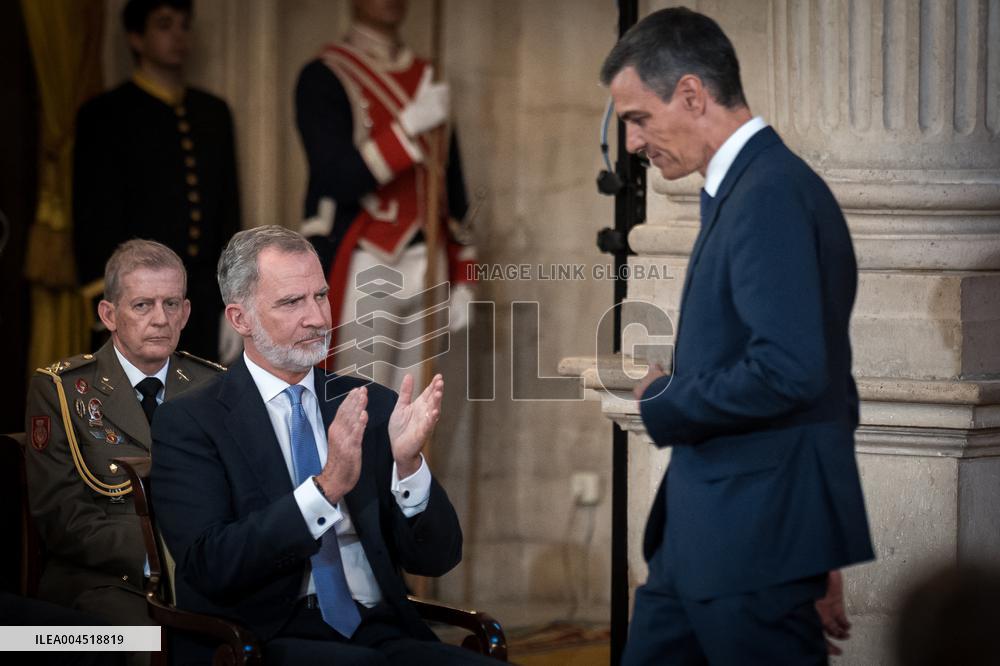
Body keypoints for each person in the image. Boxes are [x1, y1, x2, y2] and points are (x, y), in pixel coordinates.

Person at [600, 8, 874, 664]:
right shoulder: (748, 189)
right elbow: (830, 375)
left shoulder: (769, 193)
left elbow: (794, 368)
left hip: (751, 545)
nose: (633, 144)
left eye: (638, 118)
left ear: (691, 94)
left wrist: (666, 398)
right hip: (708, 543)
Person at [150, 226, 493, 664]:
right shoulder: (192, 421)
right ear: (240, 319)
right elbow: (210, 565)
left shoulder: (369, 404)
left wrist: (409, 467)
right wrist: (325, 489)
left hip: (383, 630)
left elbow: (438, 556)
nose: (316, 317)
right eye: (292, 302)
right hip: (263, 638)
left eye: (320, 296)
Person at [24, 240, 223, 628]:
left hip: (205, 575)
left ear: (185, 313)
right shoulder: (60, 389)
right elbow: (63, 519)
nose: (161, 319)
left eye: (171, 304)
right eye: (142, 305)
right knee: (148, 644)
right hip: (107, 582)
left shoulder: (213, 385)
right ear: (109, 314)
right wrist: (168, 554)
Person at [294, 0, 475, 388]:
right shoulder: (325, 75)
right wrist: (407, 127)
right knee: (355, 403)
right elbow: (335, 178)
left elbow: (452, 183)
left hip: (431, 257)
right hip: (367, 258)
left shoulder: (429, 74)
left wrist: (467, 275)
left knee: (417, 409)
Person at [73, 0, 241, 363]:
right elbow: (93, 213)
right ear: (136, 37)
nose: (178, 36)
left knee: (201, 402)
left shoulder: (212, 112)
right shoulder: (105, 114)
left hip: (202, 296)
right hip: (138, 296)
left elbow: (228, 208)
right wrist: (105, 299)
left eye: (184, 25)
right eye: (164, 25)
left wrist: (233, 295)